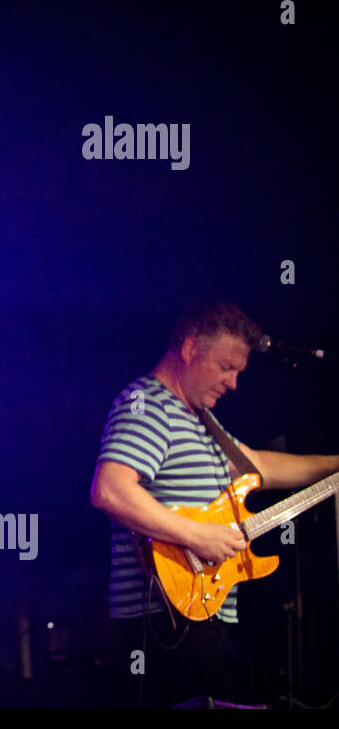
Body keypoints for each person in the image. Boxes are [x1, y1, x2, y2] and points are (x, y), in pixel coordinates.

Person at [89, 301, 339, 707]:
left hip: (204, 610)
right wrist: (197, 535)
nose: (234, 383)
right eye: (226, 367)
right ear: (190, 349)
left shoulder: (200, 419)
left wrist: (334, 465)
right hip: (165, 618)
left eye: (239, 371)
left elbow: (259, 465)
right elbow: (110, 491)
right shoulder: (148, 403)